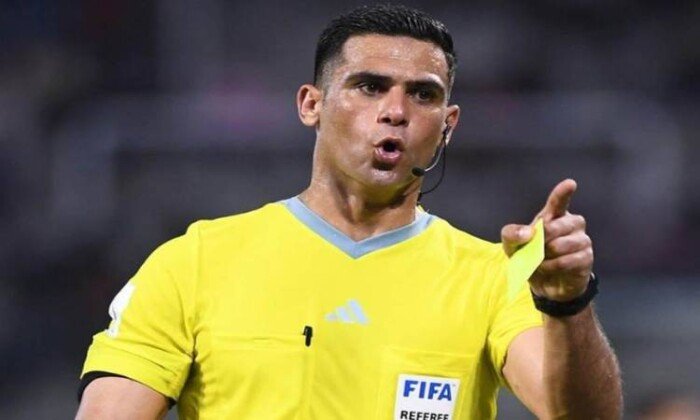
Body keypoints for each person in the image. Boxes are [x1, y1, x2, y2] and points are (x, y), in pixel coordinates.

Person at [76, 4, 622, 419]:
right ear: (311, 104)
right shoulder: (195, 263)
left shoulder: (493, 279)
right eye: (370, 87)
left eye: (423, 95)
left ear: (448, 126)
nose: (395, 112)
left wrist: (568, 302)